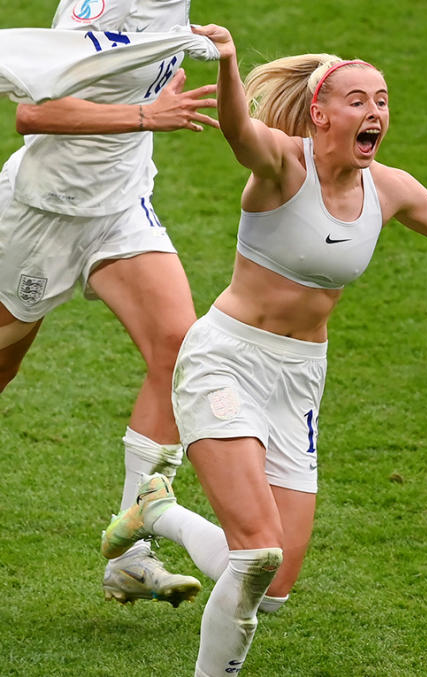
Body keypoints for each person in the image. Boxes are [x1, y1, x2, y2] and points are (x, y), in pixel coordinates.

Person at [100, 22, 427, 677]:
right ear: (318, 113)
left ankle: (159, 509)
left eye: (382, 100)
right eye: (358, 100)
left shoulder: (390, 189)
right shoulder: (283, 164)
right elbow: (237, 132)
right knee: (256, 555)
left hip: (299, 380)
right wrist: (229, 63)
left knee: (276, 587)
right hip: (226, 359)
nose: (374, 111)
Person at [0, 0, 219, 606]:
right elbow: (33, 113)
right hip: (42, 216)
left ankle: (130, 552)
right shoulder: (101, 7)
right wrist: (148, 112)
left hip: (120, 210)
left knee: (180, 350)